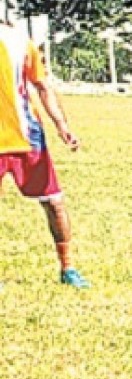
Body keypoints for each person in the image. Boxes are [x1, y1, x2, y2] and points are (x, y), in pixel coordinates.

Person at [0, 14, 87, 288]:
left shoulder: (18, 41)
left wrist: (62, 125)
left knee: (53, 201)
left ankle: (68, 268)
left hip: (26, 137)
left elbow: (42, 84)